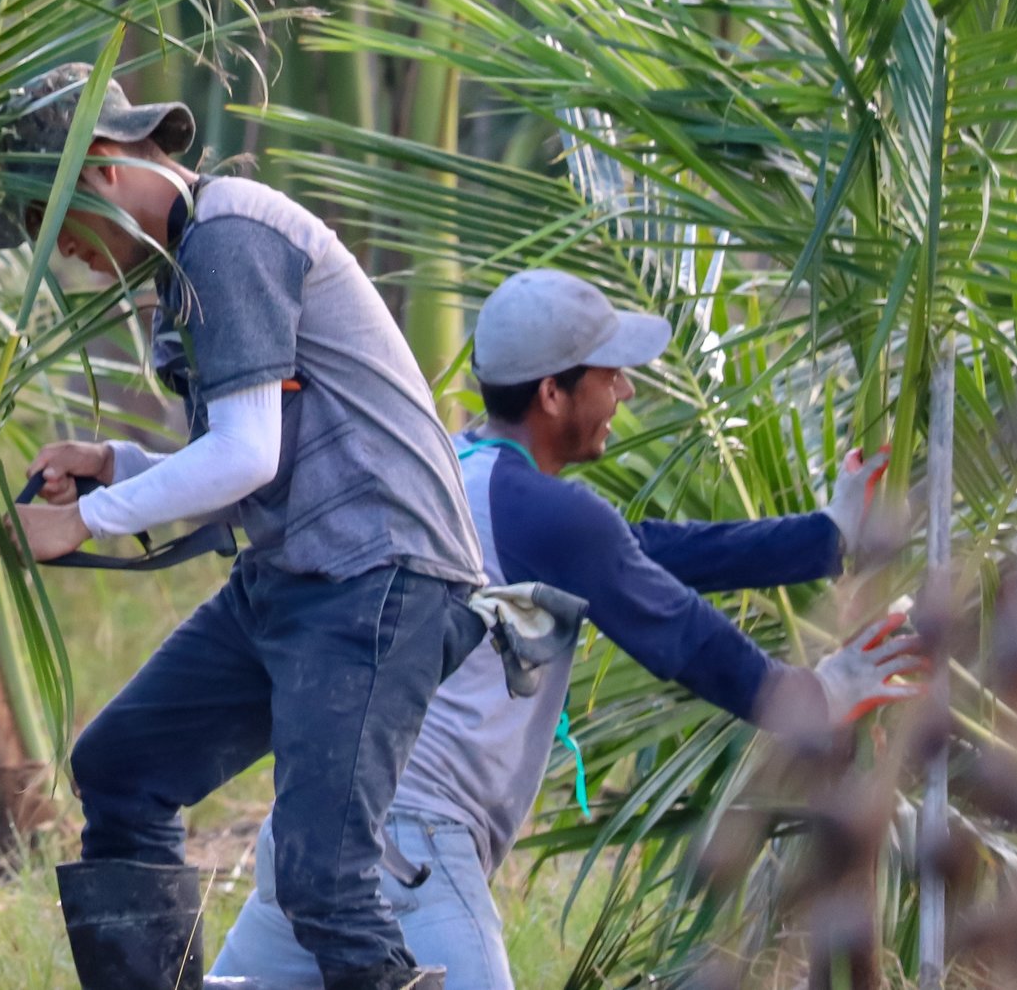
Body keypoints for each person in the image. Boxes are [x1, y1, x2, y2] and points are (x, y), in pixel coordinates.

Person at [209, 267, 920, 990]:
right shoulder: (545, 514)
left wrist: (825, 535)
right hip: (408, 846)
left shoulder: (458, 468)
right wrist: (816, 695)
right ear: (553, 392)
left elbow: (639, 555)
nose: (626, 393)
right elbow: (683, 635)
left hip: (308, 827)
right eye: (610, 377)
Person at [0, 64, 491, 990]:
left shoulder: (229, 234)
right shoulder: (189, 259)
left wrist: (88, 520)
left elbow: (246, 456)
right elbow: (252, 455)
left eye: (53, 225)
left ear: (100, 170)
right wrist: (116, 464)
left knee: (322, 873)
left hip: (377, 579)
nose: (66, 256)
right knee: (123, 767)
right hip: (297, 580)